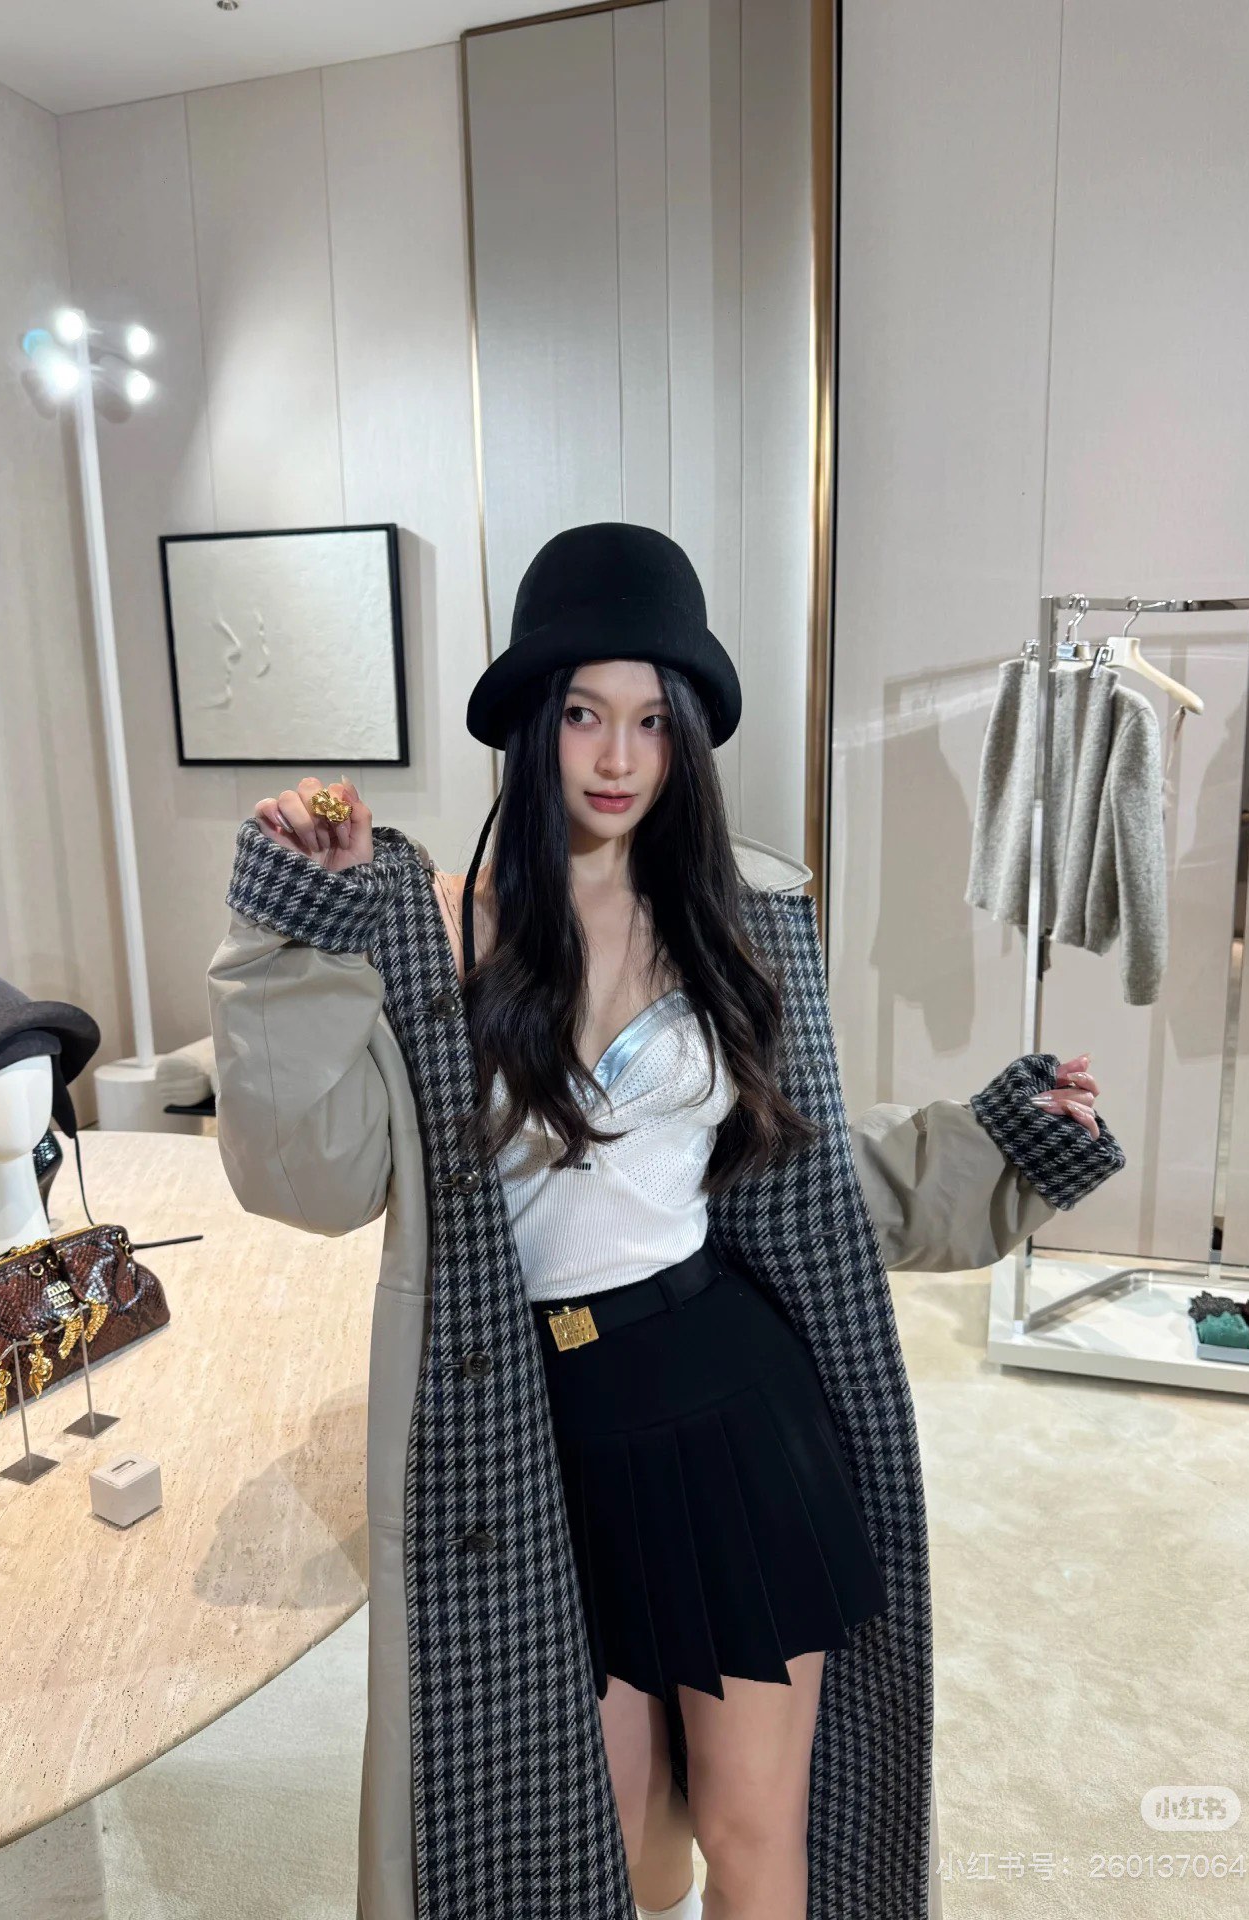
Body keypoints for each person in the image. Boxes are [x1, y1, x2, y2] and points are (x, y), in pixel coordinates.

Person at [208, 521, 1125, 1920]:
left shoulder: (732, 923)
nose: (618, 757)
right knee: (611, 1856)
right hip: (532, 1447)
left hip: (727, 1413)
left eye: (651, 721)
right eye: (585, 714)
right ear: (533, 723)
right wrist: (294, 935)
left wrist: (996, 1143)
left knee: (756, 1837)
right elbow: (312, 1180)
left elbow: (810, 1182)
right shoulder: (430, 927)